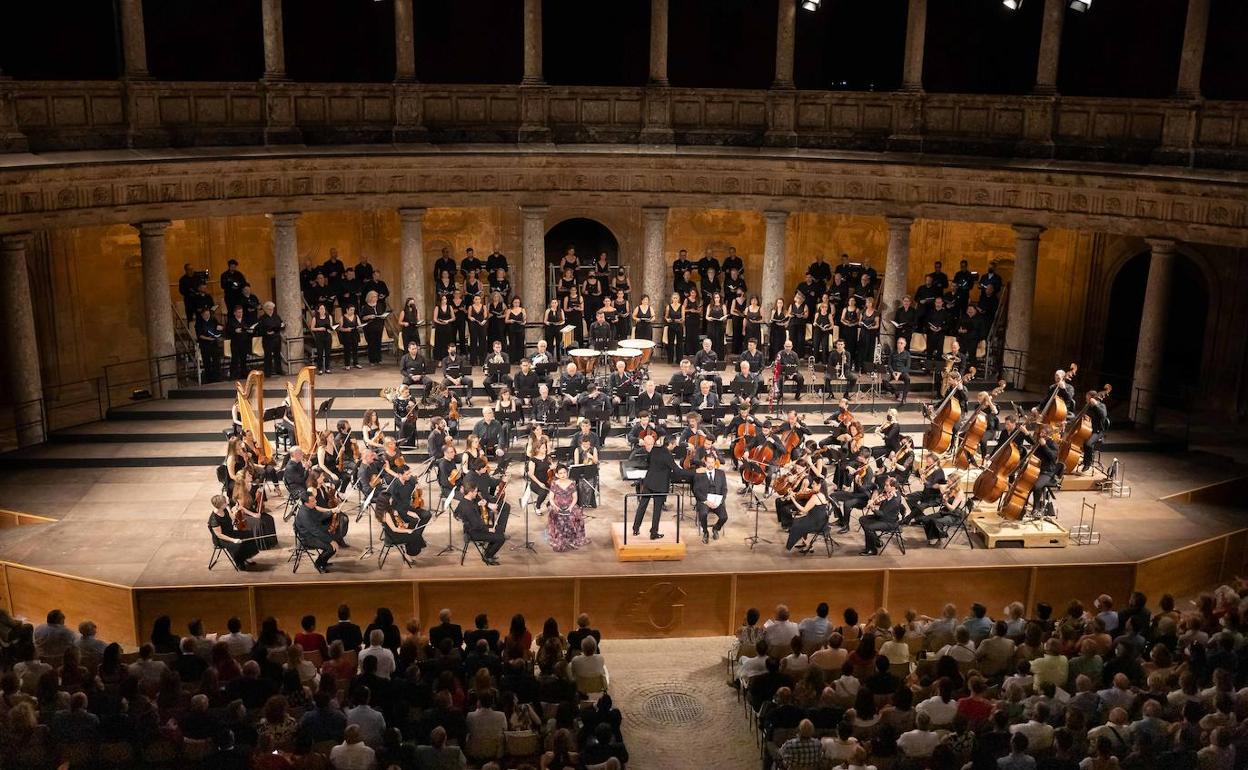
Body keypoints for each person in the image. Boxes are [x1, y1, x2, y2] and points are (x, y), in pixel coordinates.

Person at [631, 433, 688, 540]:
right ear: (671, 444)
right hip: (660, 486)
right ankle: (653, 533)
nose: (675, 446)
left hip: (648, 482)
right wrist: (694, 473)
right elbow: (677, 471)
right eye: (674, 444)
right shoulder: (668, 456)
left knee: (642, 505)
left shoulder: (655, 450)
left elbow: (648, 462)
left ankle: (635, 528)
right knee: (657, 510)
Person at [545, 464, 590, 552]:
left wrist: (570, 507)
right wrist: (555, 506)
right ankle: (560, 539)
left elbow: (575, 498)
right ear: (557, 475)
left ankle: (571, 539)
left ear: (567, 473)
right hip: (557, 506)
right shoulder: (554, 483)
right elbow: (551, 498)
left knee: (573, 516)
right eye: (560, 473)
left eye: (564, 472)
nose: (563, 475)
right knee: (557, 516)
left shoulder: (572, 483)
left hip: (570, 505)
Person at [693, 451, 728, 544]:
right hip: (705, 501)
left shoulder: (721, 473)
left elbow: (724, 489)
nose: (710, 465)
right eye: (708, 462)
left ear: (715, 462)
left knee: (724, 517)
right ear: (705, 462)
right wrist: (705, 501)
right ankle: (705, 532)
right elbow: (696, 491)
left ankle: (716, 528)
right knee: (703, 514)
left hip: (717, 501)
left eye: (712, 462)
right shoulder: (699, 474)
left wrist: (721, 501)